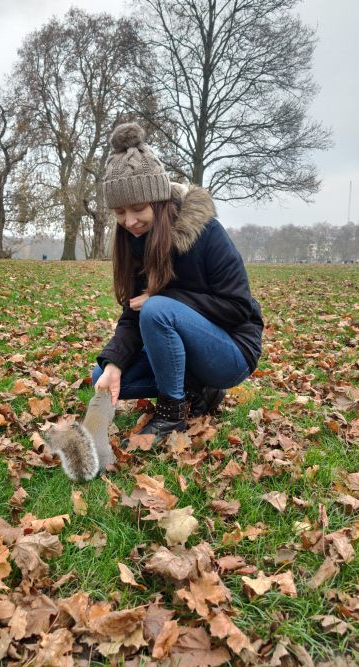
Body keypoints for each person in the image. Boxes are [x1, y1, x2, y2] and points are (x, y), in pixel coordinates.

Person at [92, 122, 263, 440]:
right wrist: (114, 363)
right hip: (183, 346)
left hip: (232, 351)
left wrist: (169, 300)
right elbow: (133, 314)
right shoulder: (133, 242)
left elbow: (239, 307)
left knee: (157, 309)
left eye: (139, 209)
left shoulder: (207, 232)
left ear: (158, 200)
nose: (129, 222)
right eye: (119, 212)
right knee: (101, 375)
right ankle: (200, 392)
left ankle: (172, 416)